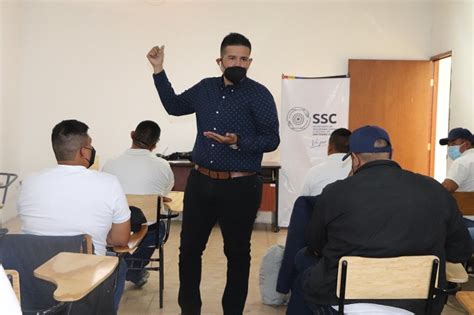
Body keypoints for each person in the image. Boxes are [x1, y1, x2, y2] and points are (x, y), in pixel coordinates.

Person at [147, 32, 280, 314]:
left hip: (241, 187)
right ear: (220, 61)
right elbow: (173, 106)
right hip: (201, 182)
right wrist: (159, 70)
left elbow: (272, 139)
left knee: (237, 254)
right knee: (190, 251)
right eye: (232, 57)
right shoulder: (205, 89)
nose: (238, 63)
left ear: (250, 62)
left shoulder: (260, 94)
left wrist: (239, 141)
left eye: (244, 59)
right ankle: (189, 309)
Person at [287, 125, 472, 314]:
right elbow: (461, 251)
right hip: (418, 304)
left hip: (342, 300)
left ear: (355, 159)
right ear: (390, 154)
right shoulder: (435, 190)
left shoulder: (335, 192)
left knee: (303, 261)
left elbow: (316, 245)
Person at [18, 119, 131, 310]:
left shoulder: (29, 182)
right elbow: (120, 239)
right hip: (86, 284)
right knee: (120, 267)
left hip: (33, 280)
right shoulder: (109, 183)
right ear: (84, 151)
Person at [277, 128, 351, 294]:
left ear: (329, 148)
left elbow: (303, 207)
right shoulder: (358, 174)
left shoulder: (315, 172)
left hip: (320, 244)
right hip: (352, 243)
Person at [103, 120, 175, 287]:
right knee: (158, 230)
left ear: (132, 135)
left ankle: (120, 267)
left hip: (113, 228)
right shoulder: (163, 165)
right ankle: (131, 270)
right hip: (147, 229)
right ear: (155, 145)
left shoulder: (110, 163)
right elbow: (164, 193)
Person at [300, 128, 352, 196]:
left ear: (330, 147)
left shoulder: (313, 173)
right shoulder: (359, 172)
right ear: (352, 149)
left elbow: (302, 202)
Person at [439, 127, 474, 193]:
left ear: (467, 144)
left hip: (465, 202)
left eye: (453, 144)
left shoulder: (462, 162)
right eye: (449, 145)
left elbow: (446, 188)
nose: (450, 148)